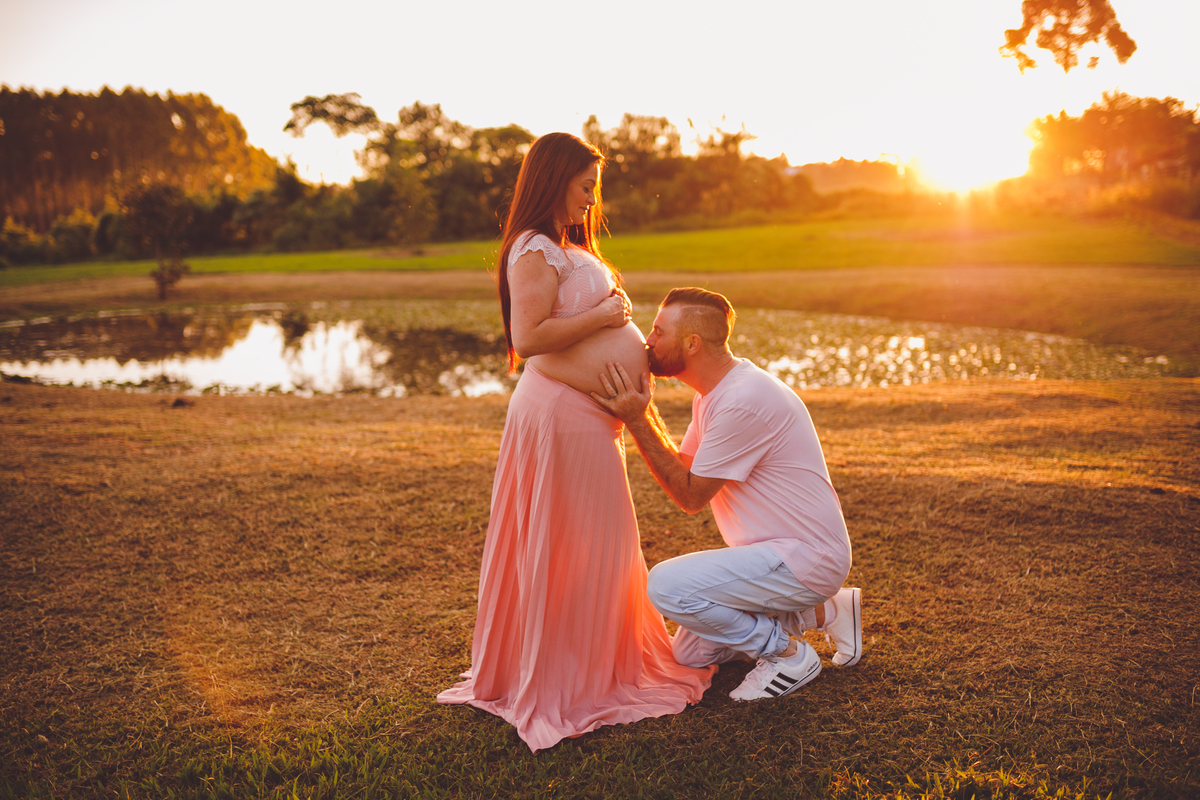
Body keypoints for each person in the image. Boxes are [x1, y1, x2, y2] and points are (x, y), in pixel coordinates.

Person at [436, 134, 713, 751]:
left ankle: (594, 661)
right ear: (553, 179)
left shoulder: (565, 247)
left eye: (595, 186)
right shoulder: (531, 248)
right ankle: (569, 675)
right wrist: (607, 319)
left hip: (589, 418)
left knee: (596, 540)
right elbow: (528, 337)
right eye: (585, 184)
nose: (592, 198)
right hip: (560, 417)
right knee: (576, 541)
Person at [591, 287, 862, 702]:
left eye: (658, 332)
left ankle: (786, 655)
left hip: (805, 558)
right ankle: (825, 611)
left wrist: (636, 419)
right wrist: (640, 412)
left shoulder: (742, 400)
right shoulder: (715, 394)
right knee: (691, 652)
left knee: (667, 586)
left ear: (692, 343)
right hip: (781, 555)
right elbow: (684, 465)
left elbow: (690, 495)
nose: (648, 341)